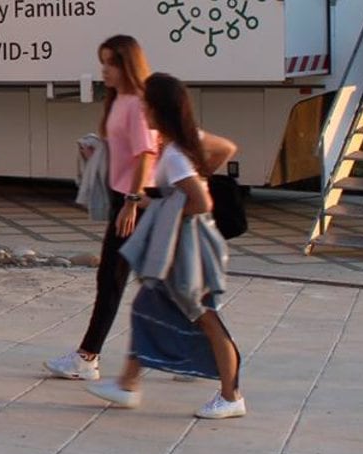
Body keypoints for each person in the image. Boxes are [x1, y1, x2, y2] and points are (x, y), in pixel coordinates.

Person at [85, 72, 245, 419]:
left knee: (204, 316)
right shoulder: (185, 143)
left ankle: (231, 396)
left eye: (146, 105)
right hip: (183, 244)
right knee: (148, 307)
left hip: (187, 248)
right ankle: (127, 384)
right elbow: (221, 152)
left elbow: (201, 202)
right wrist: (151, 202)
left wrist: (168, 208)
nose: (142, 111)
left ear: (159, 109)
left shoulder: (174, 154)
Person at [45, 35, 155, 382]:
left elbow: (146, 154)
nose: (104, 70)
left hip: (134, 203)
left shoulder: (137, 103)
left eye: (110, 63)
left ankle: (87, 357)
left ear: (127, 66)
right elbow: (124, 151)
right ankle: (206, 348)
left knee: (112, 278)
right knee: (159, 281)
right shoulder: (118, 100)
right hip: (122, 199)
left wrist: (132, 203)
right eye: (102, 62)